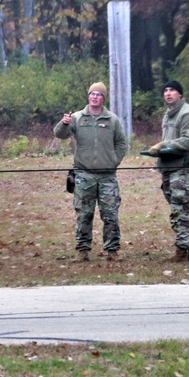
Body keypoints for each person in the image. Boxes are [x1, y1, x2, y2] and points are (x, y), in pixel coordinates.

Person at [54, 82, 129, 262]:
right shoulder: (78, 118)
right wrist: (63, 123)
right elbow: (59, 134)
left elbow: (122, 144)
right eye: (92, 94)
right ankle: (82, 250)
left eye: (99, 94)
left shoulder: (112, 120)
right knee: (84, 214)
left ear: (103, 98)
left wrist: (113, 161)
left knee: (110, 214)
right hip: (84, 175)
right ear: (88, 97)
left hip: (107, 177)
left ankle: (112, 251)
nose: (95, 97)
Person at [145, 80, 189, 262]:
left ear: (180, 94)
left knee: (179, 210)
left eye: (172, 90)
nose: (168, 93)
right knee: (185, 208)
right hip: (168, 168)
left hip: (182, 168)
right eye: (166, 90)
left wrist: (164, 145)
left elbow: (188, 141)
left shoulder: (188, 114)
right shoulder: (168, 115)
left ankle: (181, 251)